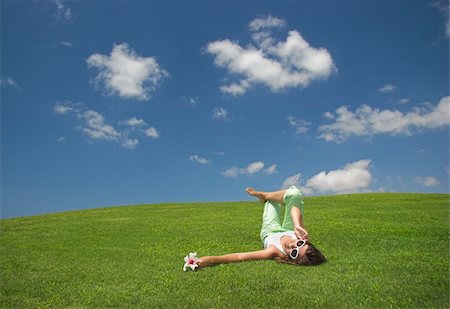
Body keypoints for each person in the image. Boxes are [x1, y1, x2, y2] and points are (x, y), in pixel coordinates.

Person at [197, 186, 326, 268]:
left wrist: (211, 260)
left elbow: (240, 257)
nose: (293, 245)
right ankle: (266, 195)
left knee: (272, 202)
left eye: (294, 252)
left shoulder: (274, 251)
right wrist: (297, 226)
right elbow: (295, 209)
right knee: (295, 194)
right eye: (299, 244)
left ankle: (267, 198)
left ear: (292, 259)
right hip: (290, 228)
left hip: (270, 230)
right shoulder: (301, 237)